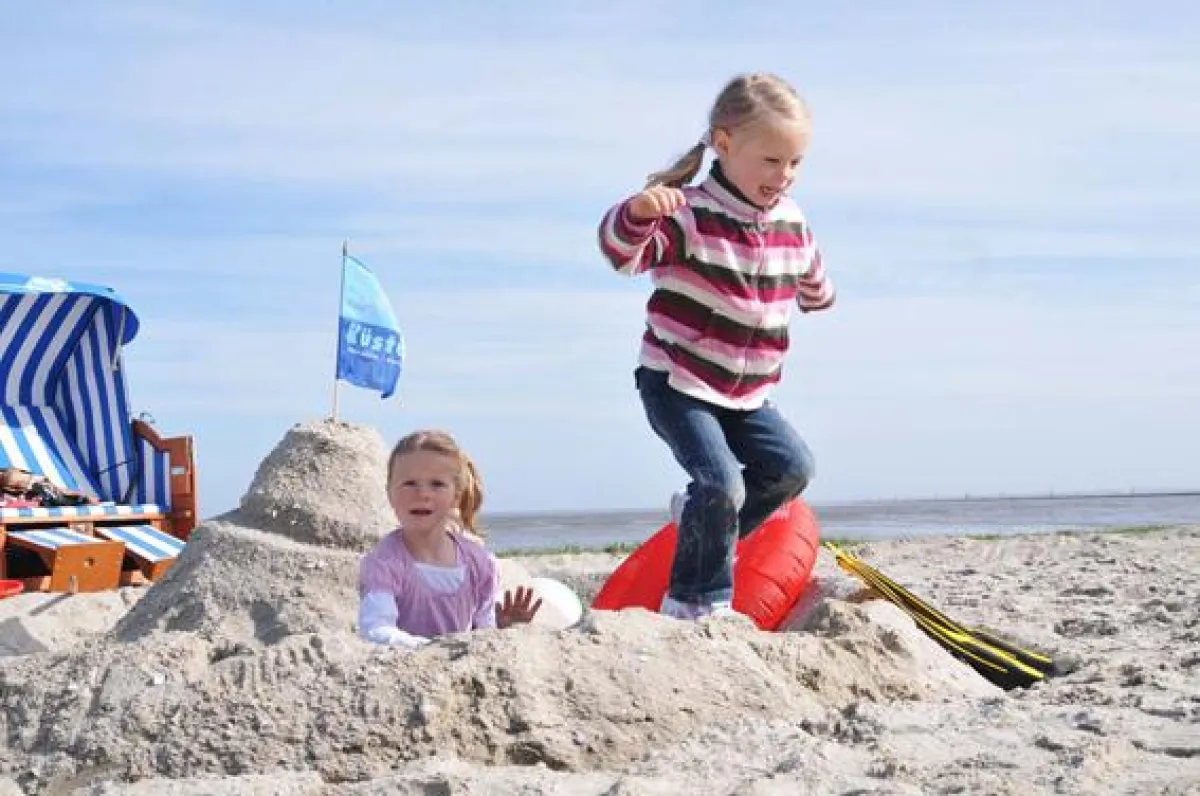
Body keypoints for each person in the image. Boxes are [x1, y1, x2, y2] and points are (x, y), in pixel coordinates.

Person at [597, 72, 836, 621]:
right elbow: (623, 254)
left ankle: (702, 520)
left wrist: (818, 292)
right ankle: (694, 601)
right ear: (724, 145)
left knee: (792, 467)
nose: (785, 176)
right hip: (677, 381)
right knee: (722, 480)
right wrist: (636, 214)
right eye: (771, 160)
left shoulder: (792, 222)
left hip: (748, 392)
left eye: (795, 163)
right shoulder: (689, 212)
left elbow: (810, 275)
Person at [358, 429, 542, 647]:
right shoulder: (386, 562)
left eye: (437, 484)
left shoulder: (478, 562)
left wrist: (503, 630)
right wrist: (430, 649)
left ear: (456, 495)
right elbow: (375, 629)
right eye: (409, 483)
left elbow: (482, 632)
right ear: (389, 493)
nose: (422, 494)